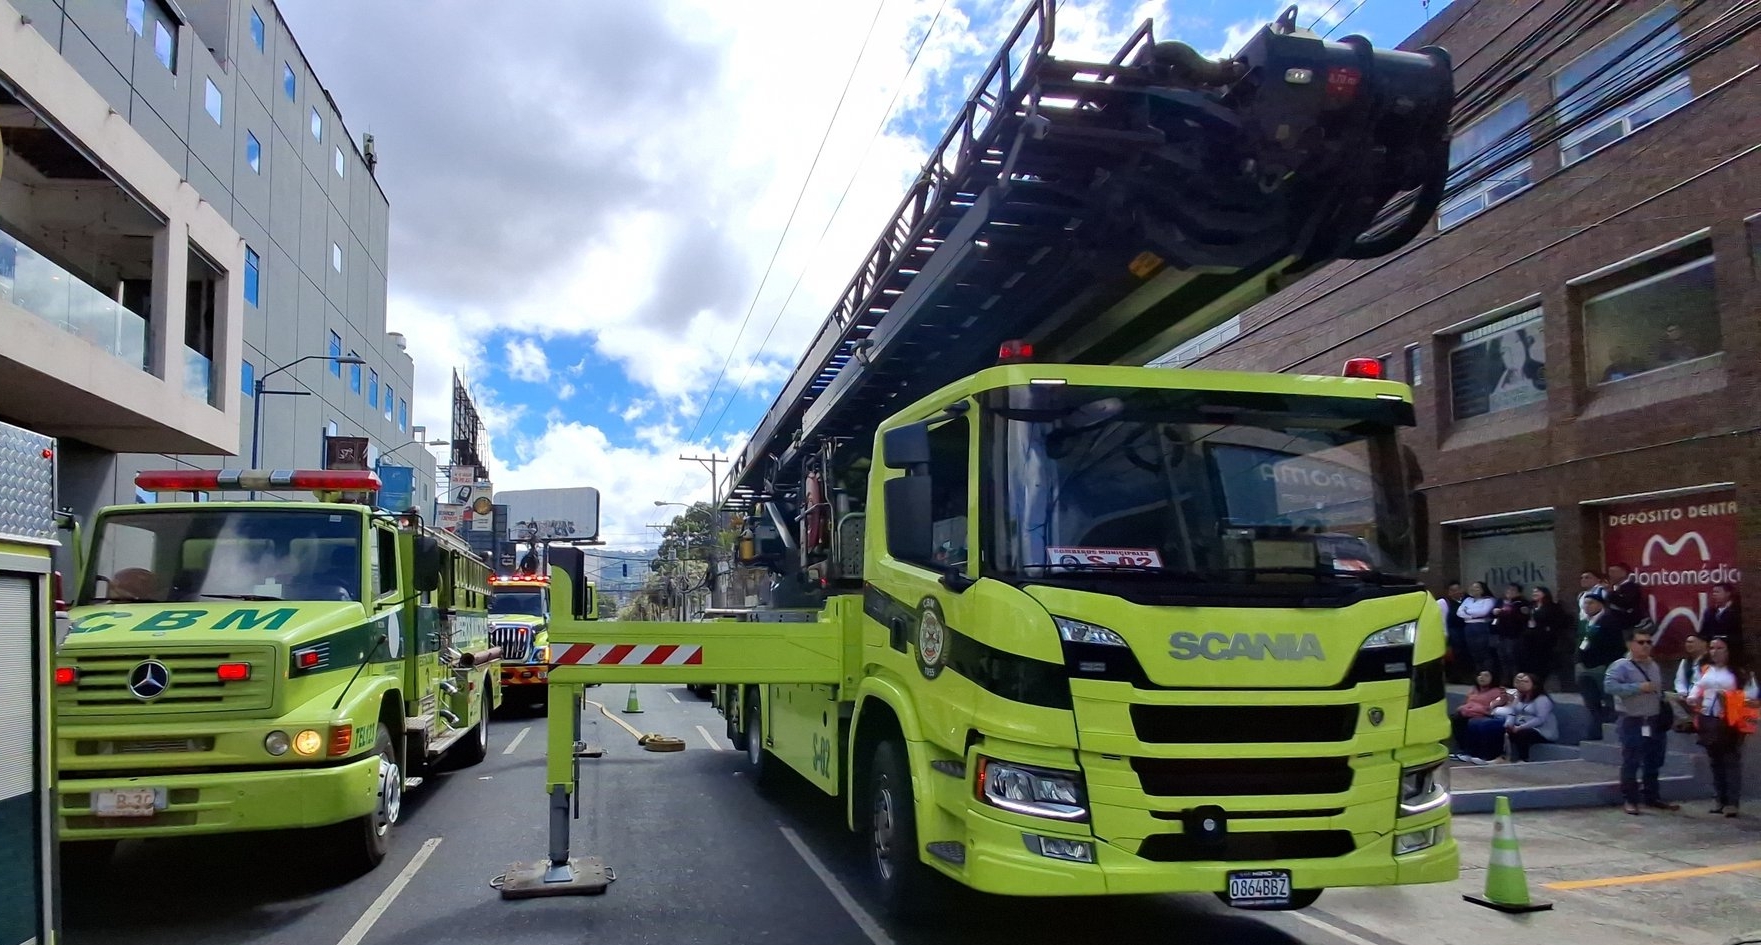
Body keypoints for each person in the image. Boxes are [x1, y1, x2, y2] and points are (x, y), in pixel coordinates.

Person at [1605, 626, 1678, 815]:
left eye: (1649, 642)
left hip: (1653, 719)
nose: (1646, 646)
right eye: (1641, 642)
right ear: (1630, 644)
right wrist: (1638, 687)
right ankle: (1630, 799)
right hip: (1632, 720)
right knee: (1632, 760)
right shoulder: (1620, 666)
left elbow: (1658, 691)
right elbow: (1610, 687)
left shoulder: (1653, 665)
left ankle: (1652, 796)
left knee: (1654, 760)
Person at [1686, 636, 1759, 817]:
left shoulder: (1740, 673)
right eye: (1712, 648)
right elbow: (1697, 685)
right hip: (1708, 717)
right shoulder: (1706, 669)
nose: (1715, 652)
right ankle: (1720, 799)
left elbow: (1751, 695)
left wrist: (1728, 697)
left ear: (1728, 651)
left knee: (1730, 760)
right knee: (1715, 760)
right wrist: (1692, 697)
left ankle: (1732, 802)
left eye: (1720, 648)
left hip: (1730, 719)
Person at [1576, 596, 1624, 740]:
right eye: (1585, 603)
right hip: (1584, 667)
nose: (1587, 606)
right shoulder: (1584, 622)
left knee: (1609, 701)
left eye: (1591, 603)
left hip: (1603, 667)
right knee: (1591, 702)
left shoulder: (1609, 621)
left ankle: (1612, 733)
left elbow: (1616, 646)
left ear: (1600, 605)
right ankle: (1595, 731)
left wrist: (1609, 665)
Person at [1451, 670, 1510, 764]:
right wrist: (1465, 709)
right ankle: (1464, 751)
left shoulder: (1497, 691)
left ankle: (1478, 754)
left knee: (1473, 723)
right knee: (1456, 718)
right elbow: (1468, 703)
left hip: (1485, 715)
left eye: (1486, 676)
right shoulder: (1474, 689)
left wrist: (1474, 709)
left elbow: (1492, 707)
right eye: (1480, 675)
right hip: (1469, 713)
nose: (1482, 677)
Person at [1502, 672, 1557, 762]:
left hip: (1542, 731)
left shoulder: (1542, 699)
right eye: (1521, 681)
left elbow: (1540, 719)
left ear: (1534, 685)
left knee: (1522, 733)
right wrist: (1508, 724)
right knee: (1501, 729)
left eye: (1526, 681)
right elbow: (1512, 712)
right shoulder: (1519, 698)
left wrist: (1520, 727)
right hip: (1520, 726)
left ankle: (1523, 758)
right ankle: (1503, 757)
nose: (1522, 683)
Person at [1523, 586, 1571, 688]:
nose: (1535, 593)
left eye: (1537, 591)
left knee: (1544, 663)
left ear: (1545, 594)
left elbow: (1560, 621)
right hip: (1531, 639)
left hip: (1545, 639)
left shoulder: (1552, 607)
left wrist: (1549, 628)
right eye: (1534, 591)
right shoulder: (1531, 606)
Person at [1457, 582, 1497, 686]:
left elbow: (1483, 612)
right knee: (1474, 653)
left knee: (1484, 653)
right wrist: (1472, 614)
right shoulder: (1468, 600)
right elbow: (1459, 612)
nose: (1474, 589)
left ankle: (1488, 678)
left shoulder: (1488, 600)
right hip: (1469, 627)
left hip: (1481, 627)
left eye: (1477, 588)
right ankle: (1478, 677)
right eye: (1473, 587)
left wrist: (1468, 612)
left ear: (1483, 589)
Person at [1490, 582, 1530, 685]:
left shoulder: (1522, 603)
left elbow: (1523, 617)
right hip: (1500, 634)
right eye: (1508, 590)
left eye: (1513, 590)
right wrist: (1495, 612)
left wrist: (1508, 611)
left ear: (1519, 592)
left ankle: (1516, 681)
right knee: (1502, 658)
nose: (1509, 592)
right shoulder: (1500, 601)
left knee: (1513, 658)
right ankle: (1505, 680)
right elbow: (1491, 614)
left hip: (1514, 634)